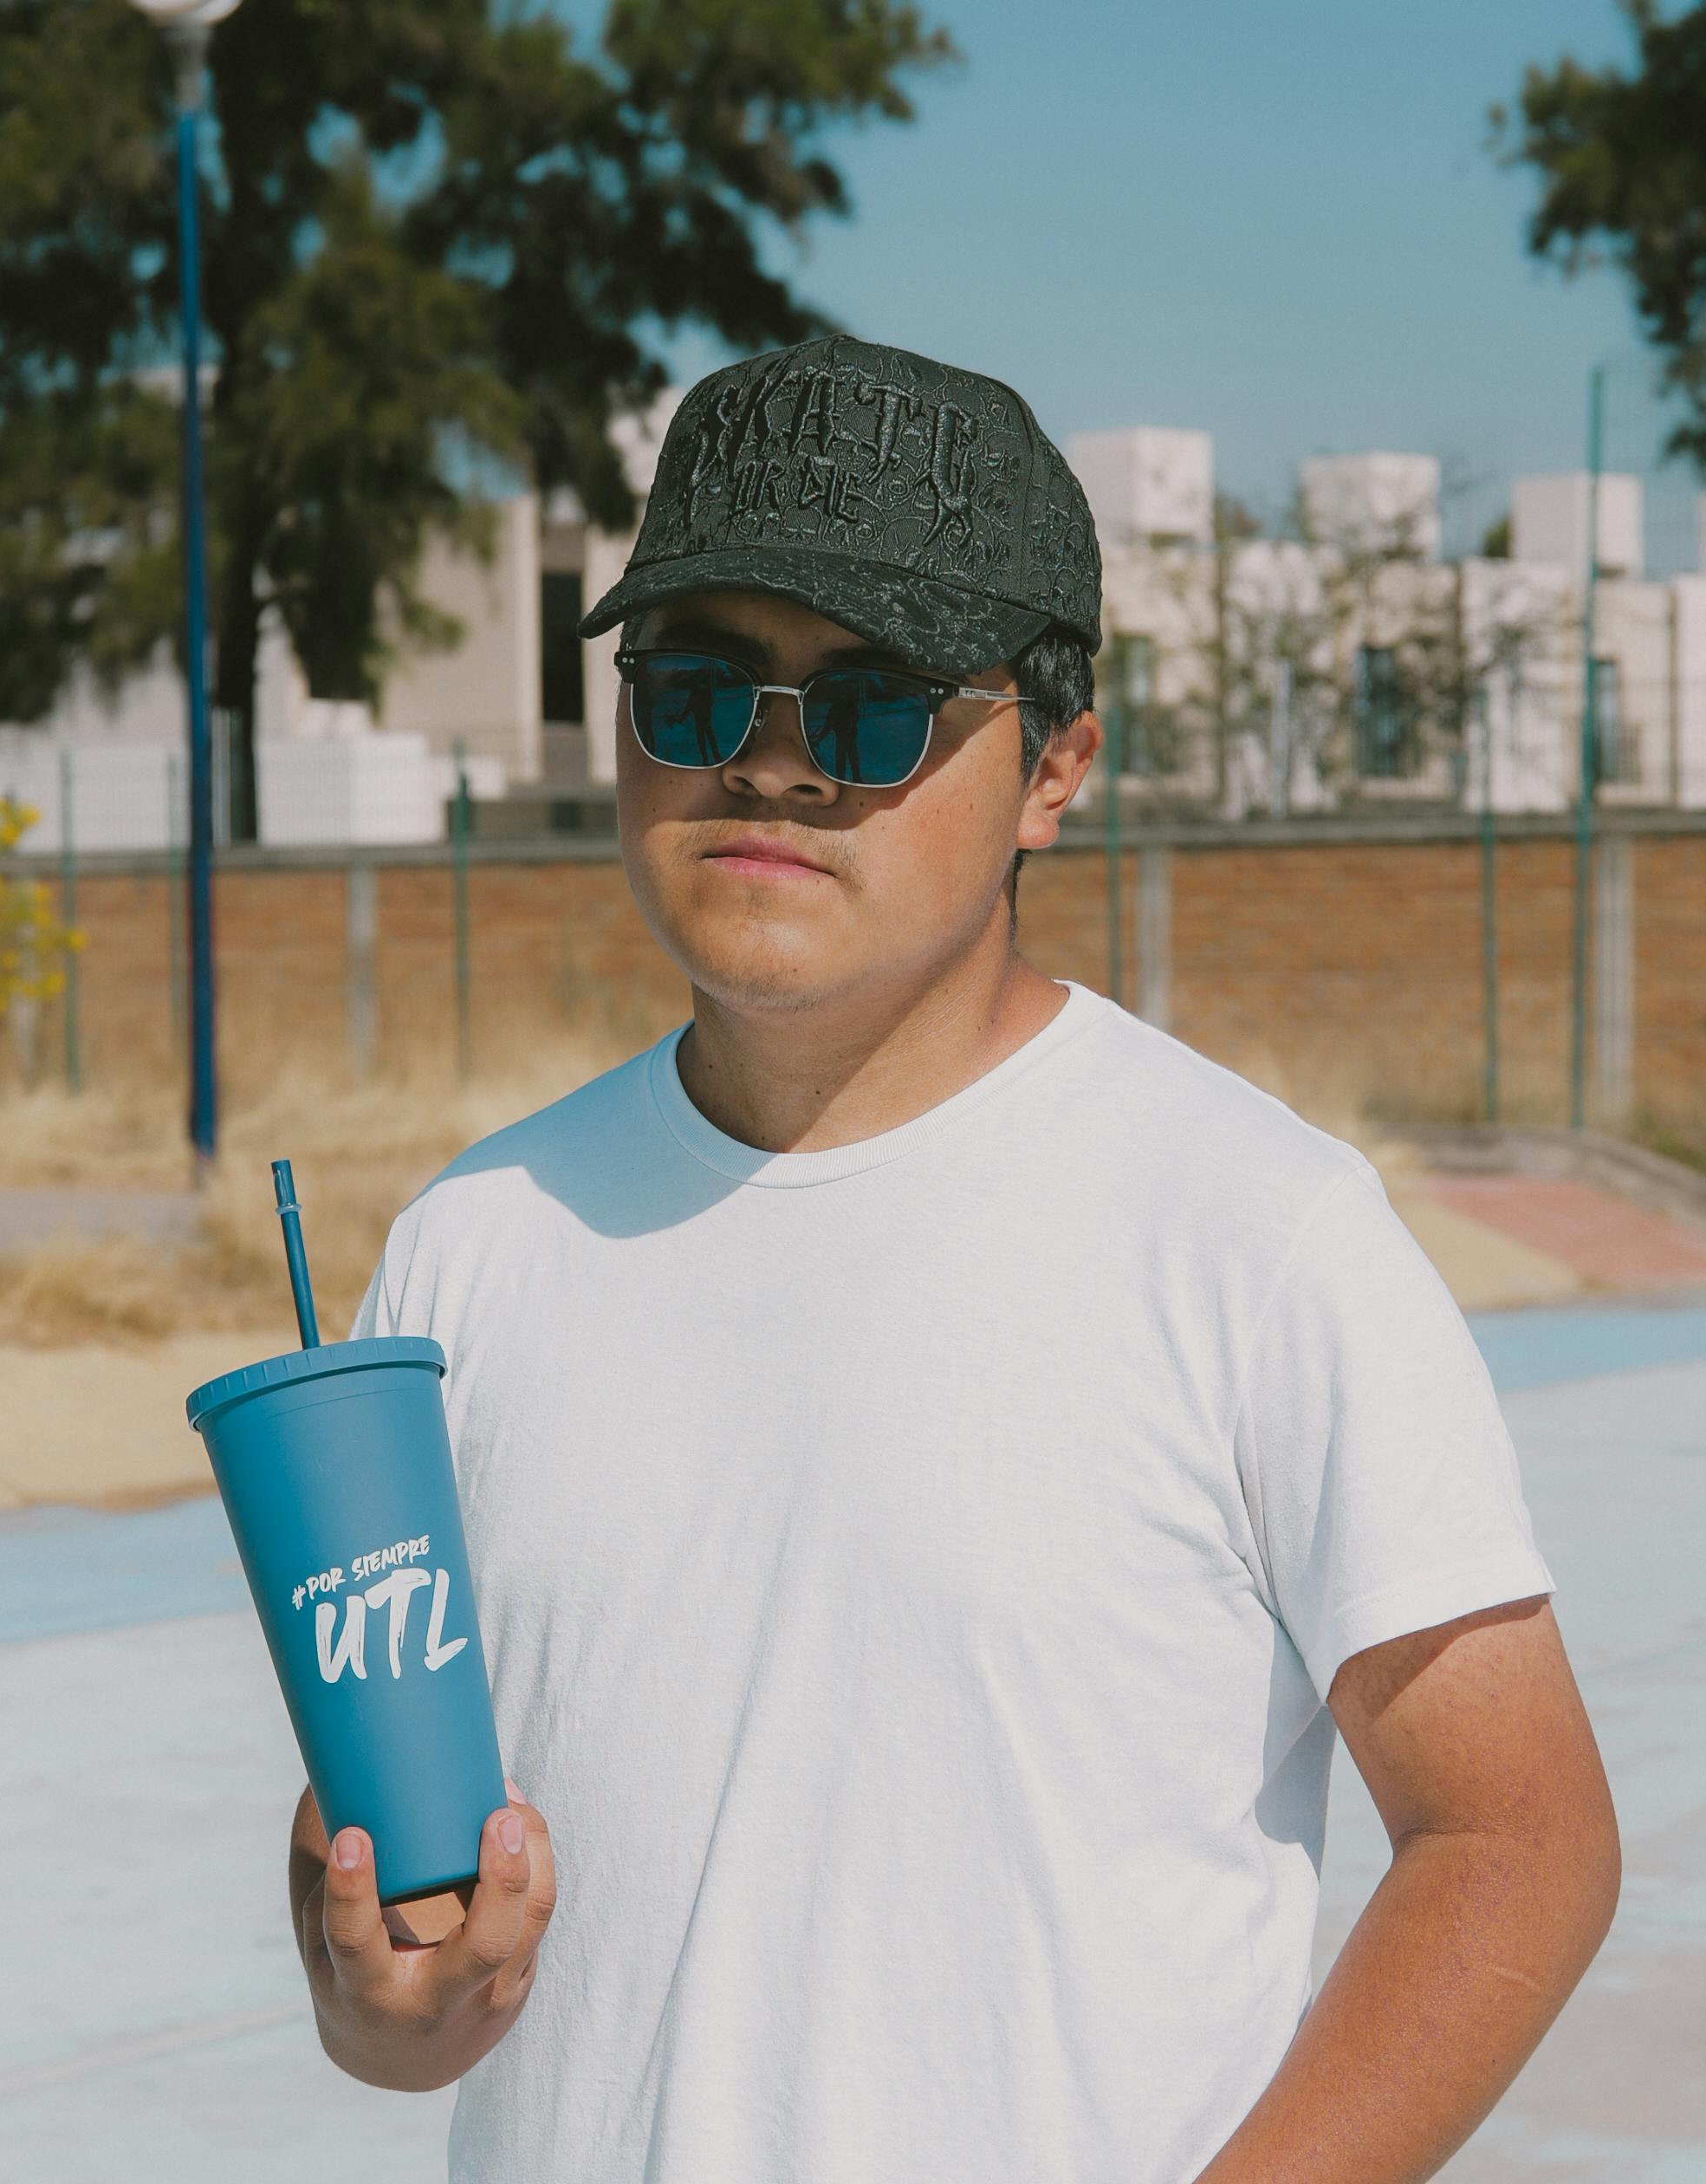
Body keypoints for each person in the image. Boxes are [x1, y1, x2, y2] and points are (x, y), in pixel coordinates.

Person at [288, 337, 1618, 2183]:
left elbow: (1518, 1838)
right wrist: (386, 1990)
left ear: (1057, 767)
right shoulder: (469, 1250)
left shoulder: (1253, 1234)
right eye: (696, 688)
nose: (768, 761)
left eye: (872, 707)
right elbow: (402, 1967)